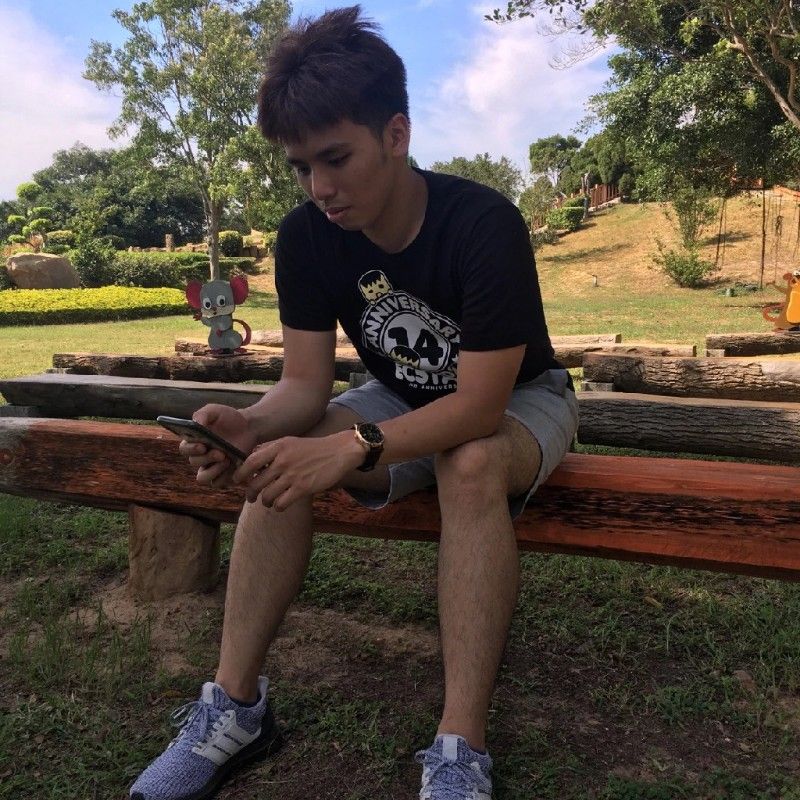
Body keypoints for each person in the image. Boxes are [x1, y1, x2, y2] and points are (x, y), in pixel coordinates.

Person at [129, 6, 578, 800]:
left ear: (396, 134)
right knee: (275, 456)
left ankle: (460, 747)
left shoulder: (483, 223)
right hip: (397, 393)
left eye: (335, 158)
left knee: (470, 463)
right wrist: (251, 424)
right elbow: (305, 387)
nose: (321, 188)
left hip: (517, 400)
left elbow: (477, 408)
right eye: (302, 167)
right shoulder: (305, 236)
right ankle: (234, 708)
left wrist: (347, 448)